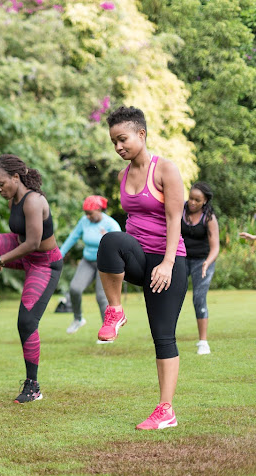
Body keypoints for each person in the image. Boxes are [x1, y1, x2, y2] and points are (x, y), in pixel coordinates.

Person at [96, 106, 186, 430]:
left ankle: (166, 410)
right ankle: (115, 311)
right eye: (114, 143)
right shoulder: (123, 176)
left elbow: (175, 219)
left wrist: (167, 262)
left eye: (123, 140)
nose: (119, 147)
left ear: (141, 134)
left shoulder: (166, 170)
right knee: (110, 240)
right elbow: (133, 222)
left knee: (163, 337)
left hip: (168, 261)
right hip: (140, 258)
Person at [0, 154, 63, 403]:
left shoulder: (34, 201)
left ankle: (33, 385)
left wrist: (0, 260)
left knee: (26, 322)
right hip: (22, 251)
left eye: (1, 183)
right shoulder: (13, 201)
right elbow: (18, 237)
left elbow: (34, 243)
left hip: (44, 263)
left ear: (16, 178)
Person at [59, 196, 121, 335]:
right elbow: (72, 237)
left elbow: (120, 247)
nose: (87, 216)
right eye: (85, 213)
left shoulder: (111, 225)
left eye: (90, 213)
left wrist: (108, 239)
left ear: (99, 210)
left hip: (105, 263)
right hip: (87, 261)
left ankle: (108, 330)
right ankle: (78, 319)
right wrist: (60, 255)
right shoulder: (84, 221)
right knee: (75, 289)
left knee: (101, 296)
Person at [181, 182, 219, 355]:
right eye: (191, 198)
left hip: (203, 261)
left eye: (197, 200)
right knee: (172, 293)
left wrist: (207, 263)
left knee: (198, 297)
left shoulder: (208, 217)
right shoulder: (180, 210)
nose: (192, 202)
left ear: (204, 201)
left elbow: (215, 248)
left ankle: (203, 342)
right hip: (181, 257)